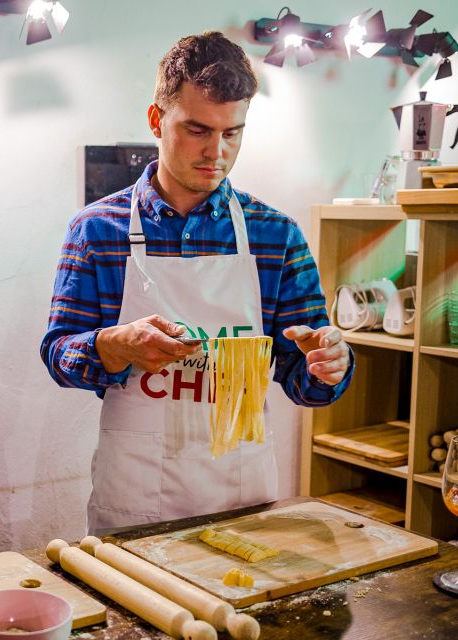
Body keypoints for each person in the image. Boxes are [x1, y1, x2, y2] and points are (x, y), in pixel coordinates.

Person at [40, 32, 353, 535]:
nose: (217, 152)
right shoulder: (99, 230)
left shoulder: (276, 235)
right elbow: (58, 354)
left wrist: (329, 363)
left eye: (233, 133)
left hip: (241, 496)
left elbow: (303, 376)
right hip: (135, 500)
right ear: (156, 120)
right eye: (197, 129)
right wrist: (114, 346)